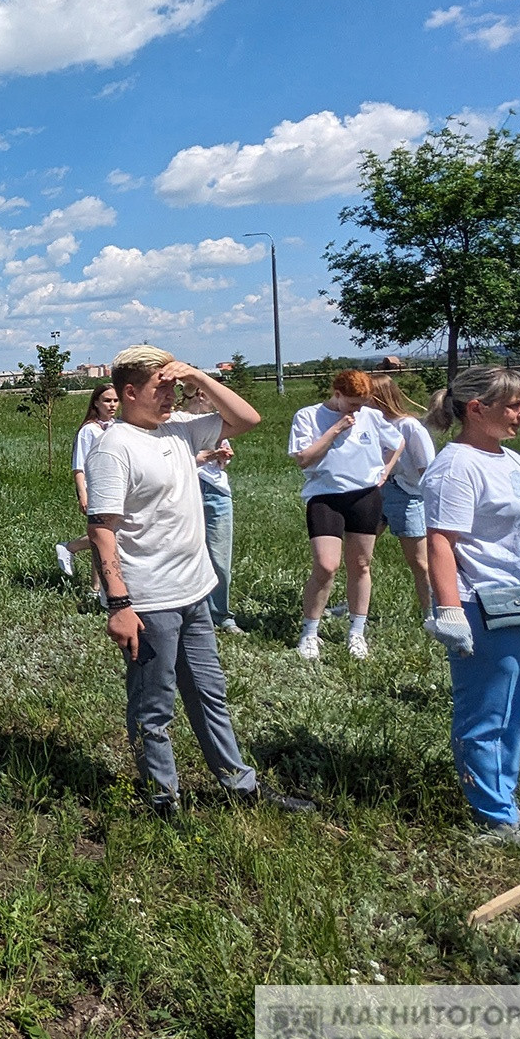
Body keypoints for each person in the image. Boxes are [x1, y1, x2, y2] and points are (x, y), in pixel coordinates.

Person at [84, 345, 312, 817]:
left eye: (173, 387)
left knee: (210, 695)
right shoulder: (113, 447)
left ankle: (239, 787)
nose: (170, 396)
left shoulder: (181, 431)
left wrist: (201, 379)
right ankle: (162, 800)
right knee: (154, 706)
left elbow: (249, 419)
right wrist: (118, 604)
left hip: (195, 592)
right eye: (159, 388)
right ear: (129, 392)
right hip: (149, 600)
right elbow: (101, 529)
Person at [421, 365, 520, 843]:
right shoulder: (456, 465)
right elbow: (441, 541)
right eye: (513, 404)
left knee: (517, 713)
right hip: (487, 606)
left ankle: (507, 801)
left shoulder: (511, 458)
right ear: (476, 408)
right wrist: (450, 610)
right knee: (486, 715)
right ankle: (494, 816)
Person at [288, 369, 404, 661]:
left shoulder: (372, 416)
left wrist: (385, 471)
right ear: (336, 394)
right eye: (352, 403)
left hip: (365, 495)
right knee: (326, 566)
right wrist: (336, 429)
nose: (358, 409)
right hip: (325, 496)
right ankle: (310, 632)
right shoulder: (308, 416)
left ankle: (356, 632)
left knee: (361, 565)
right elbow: (304, 459)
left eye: (362, 403)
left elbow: (398, 442)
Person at [168, 383, 239, 634]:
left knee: (220, 557)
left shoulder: (216, 422)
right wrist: (210, 455)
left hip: (217, 492)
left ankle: (221, 614)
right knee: (184, 553)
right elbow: (180, 459)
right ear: (200, 395)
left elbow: (220, 461)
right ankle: (187, 611)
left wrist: (222, 457)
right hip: (187, 489)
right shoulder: (177, 421)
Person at [369, 373, 436, 620]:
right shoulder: (370, 424)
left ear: (380, 398)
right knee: (360, 554)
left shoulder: (408, 426)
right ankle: (355, 603)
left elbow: (427, 467)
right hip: (377, 491)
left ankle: (431, 612)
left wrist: (429, 501)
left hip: (408, 494)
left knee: (419, 561)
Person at [54, 383, 119, 578]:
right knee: (104, 536)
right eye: (107, 400)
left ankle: (97, 588)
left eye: (115, 400)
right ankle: (71, 547)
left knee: (107, 537)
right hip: (95, 489)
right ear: (96, 403)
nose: (112, 405)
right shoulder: (89, 430)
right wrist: (83, 494)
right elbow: (79, 466)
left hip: (114, 487)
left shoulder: (116, 426)